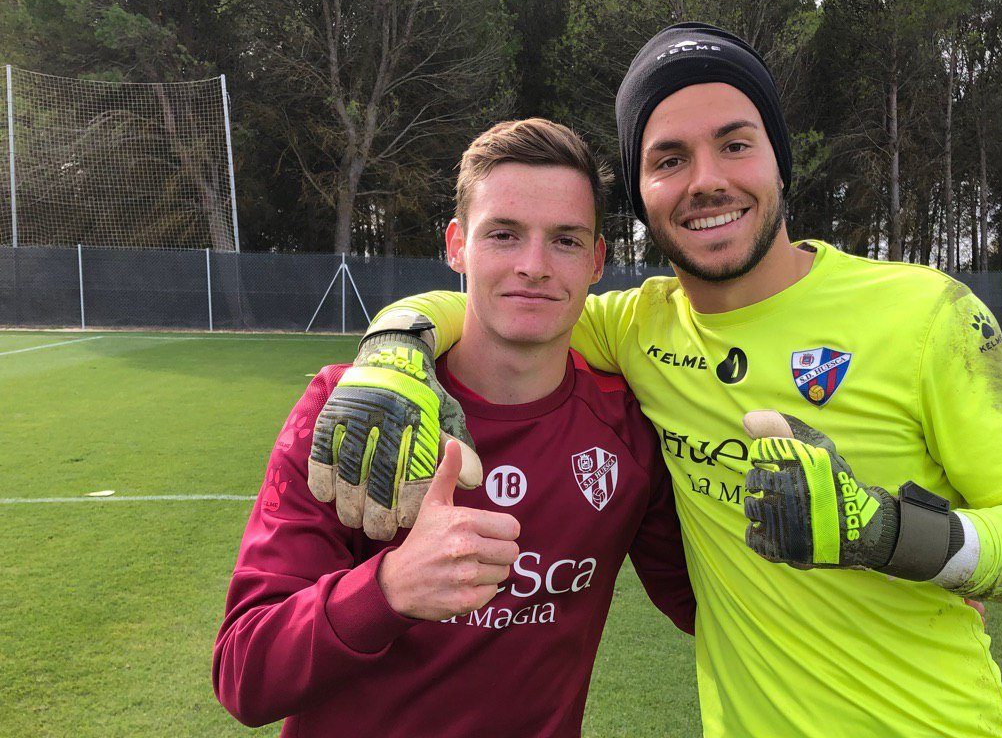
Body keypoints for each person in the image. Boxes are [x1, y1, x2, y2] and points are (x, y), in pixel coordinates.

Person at [311, 23, 1002, 738]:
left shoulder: (926, 314)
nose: (705, 181)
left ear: (778, 160)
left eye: (734, 144)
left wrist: (891, 534)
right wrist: (392, 346)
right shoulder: (635, 325)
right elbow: (492, 301)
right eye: (668, 159)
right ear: (644, 195)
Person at [213, 118, 695, 738]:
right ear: (456, 246)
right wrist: (387, 589)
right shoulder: (353, 404)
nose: (535, 265)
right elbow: (244, 675)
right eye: (503, 234)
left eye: (567, 241)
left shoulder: (626, 429)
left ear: (599, 260)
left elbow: (706, 604)